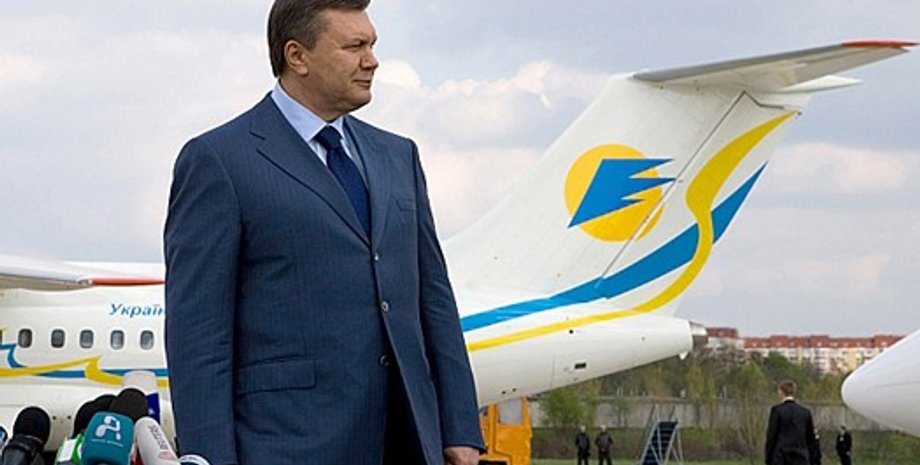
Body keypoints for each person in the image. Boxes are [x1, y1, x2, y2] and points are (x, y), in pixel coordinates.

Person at [163, 1, 484, 464]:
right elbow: (198, 335)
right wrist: (208, 458)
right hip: (284, 445)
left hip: (408, 442)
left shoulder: (399, 157)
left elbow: (434, 300)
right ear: (297, 56)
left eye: (372, 44)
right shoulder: (220, 161)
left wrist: (459, 427)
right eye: (354, 46)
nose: (372, 61)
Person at [764, 380, 818, 465]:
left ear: (781, 392)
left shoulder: (777, 411)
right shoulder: (805, 413)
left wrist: (768, 458)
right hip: (800, 457)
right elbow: (810, 438)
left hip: (781, 457)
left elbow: (772, 436)